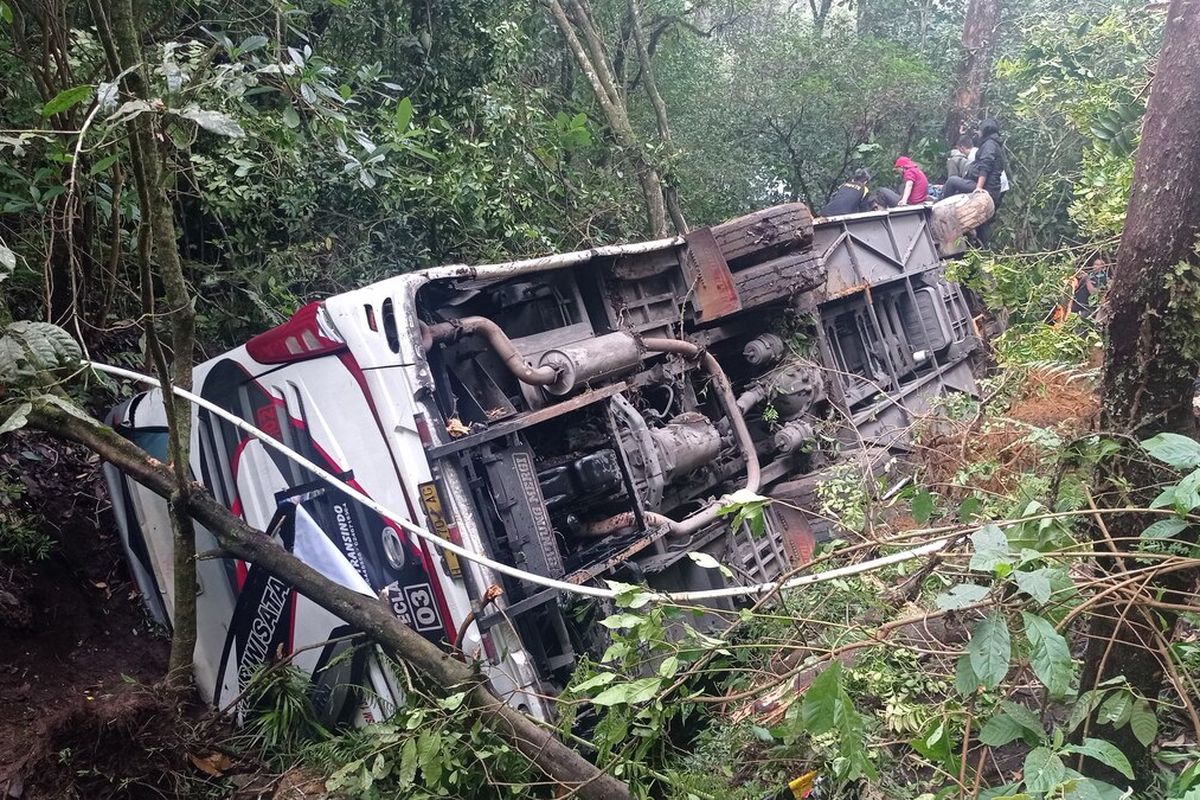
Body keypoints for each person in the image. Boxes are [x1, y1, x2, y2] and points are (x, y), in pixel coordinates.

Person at [942, 117, 1006, 246]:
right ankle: (984, 250)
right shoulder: (992, 143)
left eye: (980, 130)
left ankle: (942, 212)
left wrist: (979, 188)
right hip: (994, 189)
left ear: (985, 130)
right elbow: (970, 143)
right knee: (982, 221)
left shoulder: (989, 145)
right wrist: (963, 133)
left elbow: (985, 166)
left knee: (952, 181)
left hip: (986, 187)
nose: (978, 132)